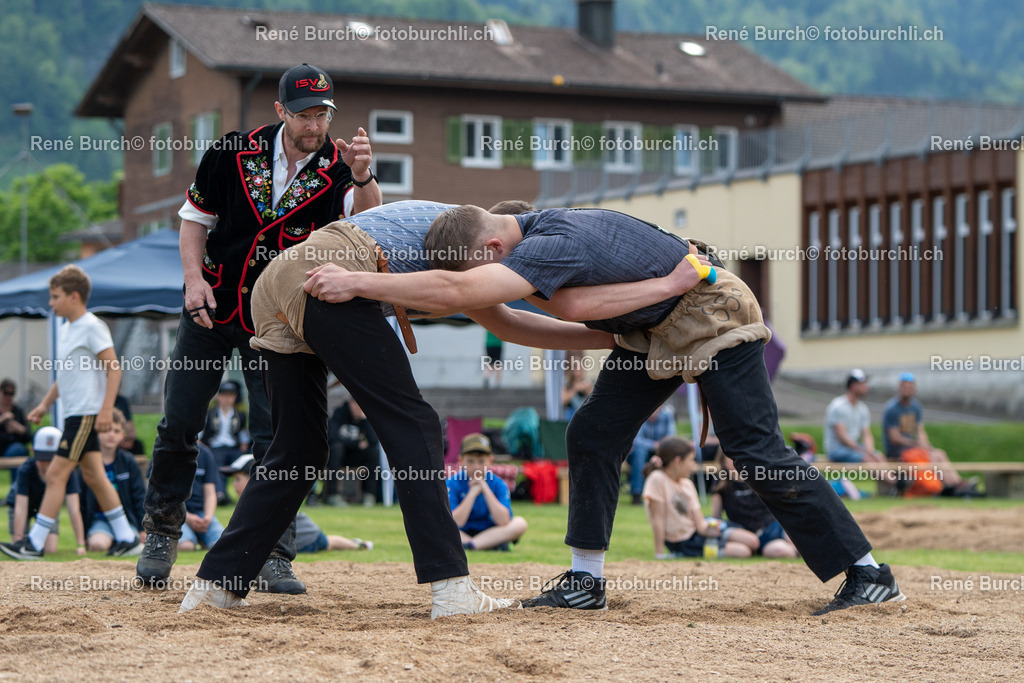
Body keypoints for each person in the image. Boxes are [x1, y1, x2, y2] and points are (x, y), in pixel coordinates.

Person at [313, 204, 906, 615]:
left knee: (754, 449)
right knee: (593, 432)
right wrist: (645, 304)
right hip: (654, 330)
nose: (485, 284)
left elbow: (471, 294)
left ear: (492, 248)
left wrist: (362, 284)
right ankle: (586, 581)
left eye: (483, 271)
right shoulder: (533, 238)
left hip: (714, 313)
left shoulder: (549, 244)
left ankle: (868, 573)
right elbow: (535, 318)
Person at [178, 199, 700, 617]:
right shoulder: (464, 239)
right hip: (327, 274)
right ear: (497, 245)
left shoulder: (462, 236)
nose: (513, 281)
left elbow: (509, 324)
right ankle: (451, 588)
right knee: (415, 424)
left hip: (274, 285)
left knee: (298, 450)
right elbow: (464, 291)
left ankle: (216, 585)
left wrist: (609, 340)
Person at [137, 62, 382, 592]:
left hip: (278, 320)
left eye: (322, 114)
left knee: (278, 438)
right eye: (304, 115)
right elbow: (194, 220)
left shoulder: (339, 165)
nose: (314, 125)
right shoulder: (231, 152)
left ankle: (274, 550)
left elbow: (366, 222)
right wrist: (192, 282)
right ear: (280, 111)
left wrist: (363, 175)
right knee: (179, 422)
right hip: (211, 307)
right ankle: (161, 530)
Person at [1, 266, 141, 560]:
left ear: (74, 296)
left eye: (55, 297)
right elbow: (65, 377)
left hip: (86, 415)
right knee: (94, 475)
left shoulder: (92, 326)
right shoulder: (66, 330)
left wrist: (106, 410)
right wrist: (44, 404)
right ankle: (128, 538)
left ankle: (34, 544)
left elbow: (114, 369)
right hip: (75, 415)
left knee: (55, 474)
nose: (50, 303)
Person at [223, 454, 372, 553]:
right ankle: (357, 543)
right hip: (292, 533)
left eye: (238, 479)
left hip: (304, 532)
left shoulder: (263, 498)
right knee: (329, 542)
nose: (234, 485)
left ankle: (358, 545)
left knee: (327, 543)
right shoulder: (249, 502)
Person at [643, 437, 758, 559]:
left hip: (697, 532)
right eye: (691, 460)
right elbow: (658, 520)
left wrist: (712, 528)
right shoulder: (657, 479)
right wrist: (659, 553)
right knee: (743, 551)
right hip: (684, 542)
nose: (693, 465)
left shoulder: (687, 484)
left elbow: (700, 524)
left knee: (752, 541)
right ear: (677, 461)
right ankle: (681, 553)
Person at [882, 373, 978, 496]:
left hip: (914, 449)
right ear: (899, 388)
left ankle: (956, 484)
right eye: (904, 386)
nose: (907, 389)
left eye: (909, 386)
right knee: (934, 458)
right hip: (898, 452)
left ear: (914, 388)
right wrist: (916, 444)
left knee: (939, 454)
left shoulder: (915, 406)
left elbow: (920, 431)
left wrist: (927, 447)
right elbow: (894, 438)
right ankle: (953, 487)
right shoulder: (892, 409)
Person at [5, 427, 86, 555]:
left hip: (48, 508)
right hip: (22, 506)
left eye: (52, 459)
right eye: (43, 459)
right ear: (33, 451)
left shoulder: (67, 472)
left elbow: (74, 508)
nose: (47, 465)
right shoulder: (26, 469)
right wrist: (19, 540)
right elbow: (20, 506)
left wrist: (80, 544)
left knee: (50, 548)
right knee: (19, 540)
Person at [80, 408, 146, 553]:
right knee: (97, 545)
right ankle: (113, 543)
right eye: (106, 430)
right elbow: (81, 502)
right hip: (100, 520)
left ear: (122, 434)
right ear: (96, 432)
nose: (111, 435)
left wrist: (143, 528)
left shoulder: (128, 461)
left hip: (126, 519)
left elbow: (139, 497)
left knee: (137, 544)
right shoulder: (87, 463)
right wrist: (83, 536)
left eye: (116, 431)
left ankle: (121, 542)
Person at [447, 433, 527, 551]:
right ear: (461, 460)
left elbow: (503, 521)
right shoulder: (452, 483)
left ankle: (472, 545)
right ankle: (489, 544)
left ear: (490, 461)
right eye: (470, 461)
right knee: (438, 526)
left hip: (490, 531)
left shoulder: (498, 483)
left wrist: (485, 488)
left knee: (520, 523)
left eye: (481, 461)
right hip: (462, 532)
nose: (476, 467)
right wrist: (473, 493)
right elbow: (456, 522)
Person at [711, 452, 798, 558]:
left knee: (792, 537)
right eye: (730, 457)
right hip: (747, 535)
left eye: (738, 455)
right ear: (723, 460)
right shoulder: (721, 484)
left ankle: (803, 552)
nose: (735, 460)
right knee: (780, 551)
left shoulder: (759, 475)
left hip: (771, 527)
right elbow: (716, 518)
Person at [315, 397, 379, 507]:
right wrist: (356, 444)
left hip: (356, 456)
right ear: (350, 403)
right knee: (337, 447)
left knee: (373, 451)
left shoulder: (364, 418)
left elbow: (373, 441)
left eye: (361, 405)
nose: (358, 408)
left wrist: (365, 420)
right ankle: (333, 495)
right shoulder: (339, 414)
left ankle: (369, 495)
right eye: (356, 404)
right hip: (338, 457)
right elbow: (332, 437)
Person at [200, 380, 250, 505]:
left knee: (242, 468)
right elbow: (201, 433)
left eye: (230, 396)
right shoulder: (210, 413)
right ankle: (220, 494)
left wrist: (243, 448)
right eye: (224, 395)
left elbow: (242, 433)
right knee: (218, 466)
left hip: (234, 447)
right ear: (218, 397)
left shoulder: (240, 414)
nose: (227, 399)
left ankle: (245, 494)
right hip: (215, 447)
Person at [824, 369, 885, 463]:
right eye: (863, 383)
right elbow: (842, 436)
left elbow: (866, 434)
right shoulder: (838, 406)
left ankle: (891, 474)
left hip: (855, 448)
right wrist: (862, 451)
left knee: (879, 457)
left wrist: (870, 451)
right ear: (853, 385)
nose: (866, 386)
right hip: (836, 450)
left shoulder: (862, 408)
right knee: (868, 459)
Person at [627, 403, 676, 505]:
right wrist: (654, 445)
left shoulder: (667, 416)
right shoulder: (639, 415)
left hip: (661, 451)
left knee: (670, 454)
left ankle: (672, 492)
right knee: (639, 452)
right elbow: (636, 440)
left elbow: (671, 438)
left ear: (661, 406)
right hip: (641, 453)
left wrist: (659, 449)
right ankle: (637, 493)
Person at [176, 444, 222, 551]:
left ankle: (200, 537)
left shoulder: (205, 453)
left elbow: (210, 492)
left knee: (222, 544)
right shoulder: (166, 451)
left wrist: (208, 517)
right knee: (186, 546)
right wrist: (186, 517)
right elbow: (162, 497)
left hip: (200, 513)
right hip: (174, 513)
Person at [0, 379, 32, 466]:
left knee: (17, 450)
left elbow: (29, 436)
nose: (8, 397)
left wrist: (19, 428)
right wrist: (2, 419)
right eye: (6, 393)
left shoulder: (18, 411)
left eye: (11, 394)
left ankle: (18, 476)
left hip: (13, 447)